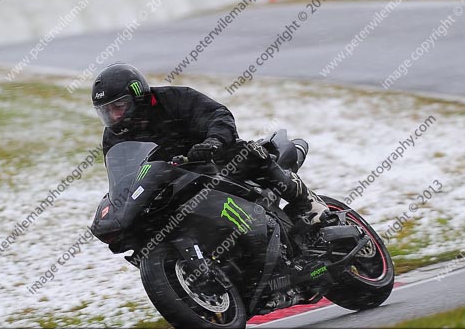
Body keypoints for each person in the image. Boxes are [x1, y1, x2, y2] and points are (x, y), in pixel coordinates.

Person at [91, 62, 328, 224]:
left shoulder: (174, 99)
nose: (114, 117)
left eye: (118, 107)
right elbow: (121, 174)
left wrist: (213, 142)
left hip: (212, 161)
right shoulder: (114, 136)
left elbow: (218, 115)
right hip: (173, 182)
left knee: (245, 154)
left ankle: (308, 203)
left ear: (137, 95)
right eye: (106, 111)